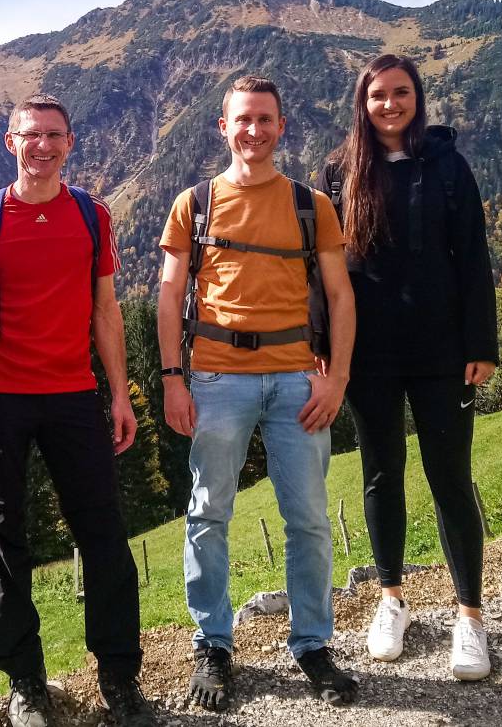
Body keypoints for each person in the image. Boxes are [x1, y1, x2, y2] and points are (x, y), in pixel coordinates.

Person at [0, 94, 153, 727]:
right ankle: (26, 684)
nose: (43, 145)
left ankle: (119, 678)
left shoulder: (92, 216)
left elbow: (106, 310)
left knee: (104, 534)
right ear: (12, 142)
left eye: (54, 135)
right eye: (31, 135)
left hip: (73, 395)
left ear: (70, 142)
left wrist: (119, 393)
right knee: (5, 537)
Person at [156, 75, 360, 709]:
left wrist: (337, 378)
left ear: (281, 126)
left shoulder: (311, 206)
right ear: (224, 126)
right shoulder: (195, 204)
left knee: (308, 521)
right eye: (243, 119)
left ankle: (313, 645)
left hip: (299, 380)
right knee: (208, 514)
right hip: (215, 379)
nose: (253, 130)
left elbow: (340, 295)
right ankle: (213, 643)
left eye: (265, 119)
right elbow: (168, 294)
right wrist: (172, 379)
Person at [321, 53, 497, 682]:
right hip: (371, 351)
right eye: (378, 96)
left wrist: (482, 343)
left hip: (443, 349)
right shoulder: (340, 170)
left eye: (401, 93)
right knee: (380, 475)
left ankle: (470, 616)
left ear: (417, 98)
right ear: (362, 104)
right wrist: (327, 348)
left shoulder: (448, 165)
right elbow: (327, 270)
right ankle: (391, 598)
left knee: (451, 479)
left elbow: (474, 255)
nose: (390, 104)